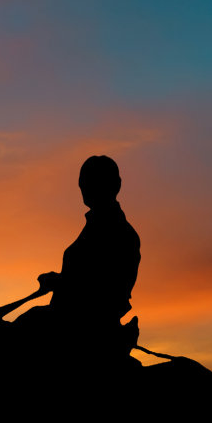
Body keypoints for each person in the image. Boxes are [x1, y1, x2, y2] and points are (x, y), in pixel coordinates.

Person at [34, 154, 141, 371]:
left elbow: (106, 288)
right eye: (83, 183)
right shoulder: (94, 227)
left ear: (115, 185)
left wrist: (60, 283)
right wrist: (60, 280)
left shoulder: (120, 233)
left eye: (90, 182)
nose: (84, 188)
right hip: (67, 320)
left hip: (87, 328)